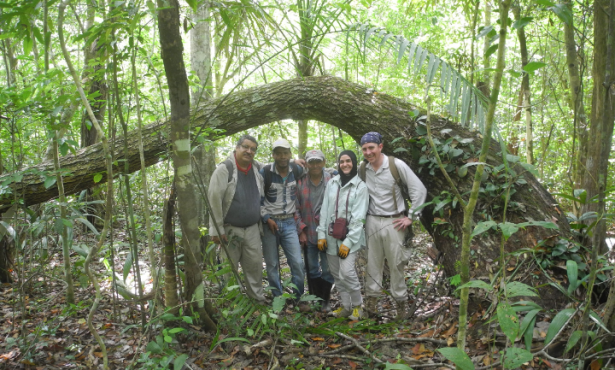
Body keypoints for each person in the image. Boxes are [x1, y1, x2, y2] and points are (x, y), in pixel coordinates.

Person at [360, 132, 427, 321]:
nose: (368, 152)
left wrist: (411, 217)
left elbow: (418, 189)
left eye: (371, 147)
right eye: (364, 149)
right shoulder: (363, 168)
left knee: (397, 264)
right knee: (372, 264)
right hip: (372, 221)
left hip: (395, 222)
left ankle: (401, 308)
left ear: (380, 146)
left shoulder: (395, 165)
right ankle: (371, 308)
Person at [208, 134, 266, 303]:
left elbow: (275, 167)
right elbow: (214, 200)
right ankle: (231, 302)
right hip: (230, 229)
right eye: (245, 147)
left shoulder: (256, 168)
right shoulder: (224, 169)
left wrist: (295, 162)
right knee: (229, 268)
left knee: (254, 267)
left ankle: (257, 301)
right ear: (237, 147)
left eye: (253, 149)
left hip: (253, 228)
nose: (249, 151)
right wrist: (216, 230)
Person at [317, 150, 369, 320]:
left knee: (347, 272)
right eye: (342, 161)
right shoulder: (332, 183)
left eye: (348, 161)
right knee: (336, 274)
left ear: (354, 163)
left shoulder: (360, 187)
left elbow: (359, 217)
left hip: (350, 239)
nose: (345, 164)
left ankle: (357, 307)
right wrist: (321, 235)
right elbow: (324, 210)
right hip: (331, 236)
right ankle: (345, 307)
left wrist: (348, 242)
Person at [260, 138, 307, 310]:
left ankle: (298, 298)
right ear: (273, 155)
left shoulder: (296, 169)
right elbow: (257, 200)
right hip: (269, 223)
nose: (282, 156)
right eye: (278, 153)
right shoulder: (264, 172)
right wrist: (267, 219)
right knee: (272, 264)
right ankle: (277, 300)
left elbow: (316, 169)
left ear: (290, 154)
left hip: (289, 222)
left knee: (297, 262)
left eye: (285, 153)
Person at [296, 149, 335, 311]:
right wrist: (301, 231)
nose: (315, 165)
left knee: (328, 269)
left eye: (318, 161)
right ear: (306, 164)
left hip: (328, 233)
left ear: (324, 163)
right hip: (309, 231)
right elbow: (295, 209)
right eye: (311, 162)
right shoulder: (300, 182)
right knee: (311, 268)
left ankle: (325, 301)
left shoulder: (333, 180)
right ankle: (316, 300)